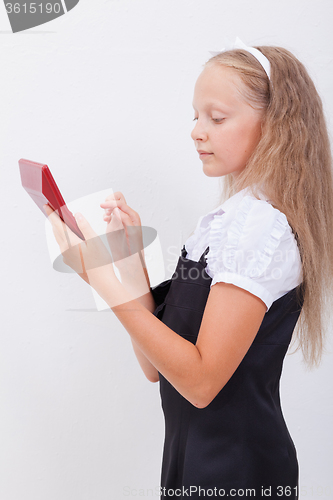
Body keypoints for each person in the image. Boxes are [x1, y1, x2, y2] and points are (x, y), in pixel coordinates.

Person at [44, 39, 333, 500]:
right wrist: (126, 257)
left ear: (275, 124)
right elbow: (157, 368)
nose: (197, 131)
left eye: (216, 118)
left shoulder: (261, 227)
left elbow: (200, 385)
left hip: (237, 472)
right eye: (195, 116)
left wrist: (98, 276)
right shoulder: (226, 224)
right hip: (191, 465)